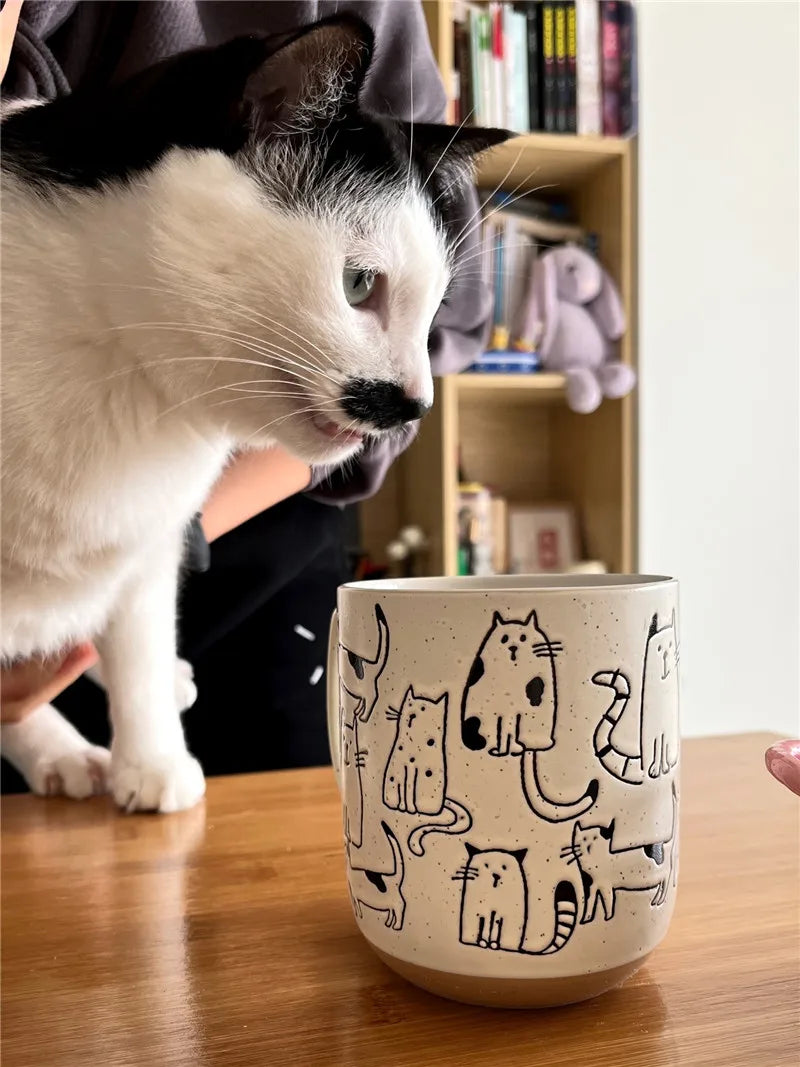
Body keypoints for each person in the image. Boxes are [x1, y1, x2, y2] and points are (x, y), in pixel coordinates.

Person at [0, 0, 492, 790]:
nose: (418, 394)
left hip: (251, 511)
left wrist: (167, 528)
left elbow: (449, 317)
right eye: (360, 285)